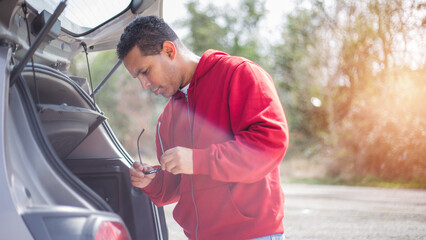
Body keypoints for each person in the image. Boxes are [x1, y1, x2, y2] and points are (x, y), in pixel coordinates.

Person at [117, 16, 288, 240]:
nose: (144, 84)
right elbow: (174, 187)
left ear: (169, 50)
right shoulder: (166, 119)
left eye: (145, 71)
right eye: (137, 77)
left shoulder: (240, 74)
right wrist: (152, 182)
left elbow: (269, 145)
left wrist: (198, 160)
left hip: (252, 235)